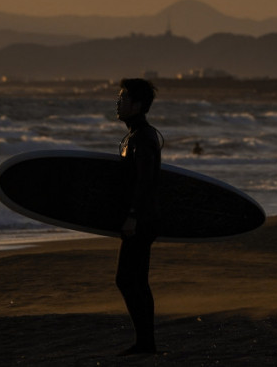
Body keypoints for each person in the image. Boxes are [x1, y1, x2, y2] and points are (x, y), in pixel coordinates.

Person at [114, 78, 162, 356]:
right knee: (134, 280)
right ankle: (146, 342)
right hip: (142, 218)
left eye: (123, 98)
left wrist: (132, 216)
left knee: (128, 279)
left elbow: (146, 181)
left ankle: (146, 342)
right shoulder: (136, 135)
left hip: (142, 219)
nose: (118, 103)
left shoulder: (143, 137)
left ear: (138, 105)